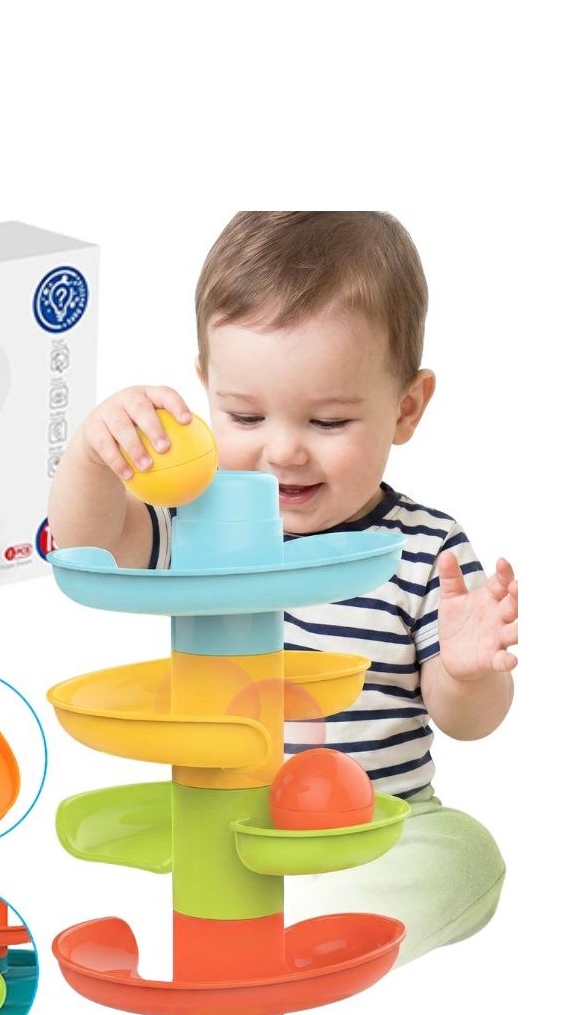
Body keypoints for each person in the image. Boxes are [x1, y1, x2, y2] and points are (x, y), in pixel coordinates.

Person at [48, 211, 518, 964]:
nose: (284, 449)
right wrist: (90, 457)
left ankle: (310, 941)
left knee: (468, 854)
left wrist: (467, 673)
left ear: (405, 408)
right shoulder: (198, 527)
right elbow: (90, 546)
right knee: (165, 857)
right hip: (225, 826)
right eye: (245, 415)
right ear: (207, 392)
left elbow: (468, 723)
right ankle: (267, 928)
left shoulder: (424, 547)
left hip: (377, 829)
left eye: (328, 421)